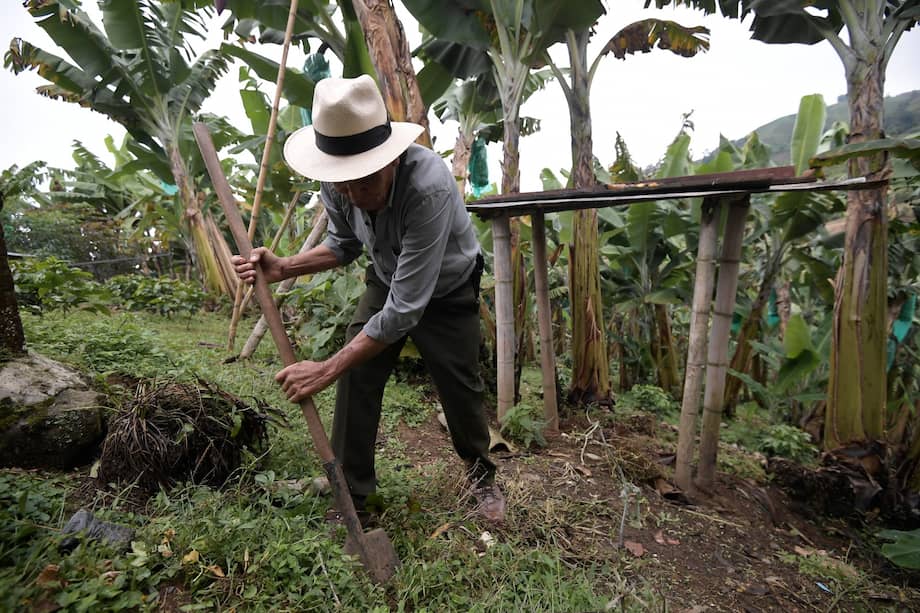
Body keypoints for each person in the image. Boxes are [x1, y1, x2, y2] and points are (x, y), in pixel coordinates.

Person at [232, 75, 505, 523]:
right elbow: (344, 245)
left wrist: (325, 367)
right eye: (345, 186)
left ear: (392, 158)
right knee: (357, 373)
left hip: (447, 288)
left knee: (460, 387)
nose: (356, 195)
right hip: (387, 276)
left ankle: (481, 475)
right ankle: (353, 492)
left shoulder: (428, 186)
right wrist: (283, 267)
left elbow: (405, 309)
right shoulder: (337, 181)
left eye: (365, 181)